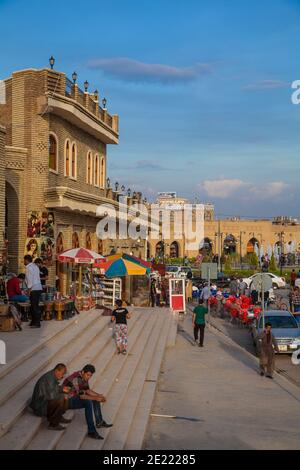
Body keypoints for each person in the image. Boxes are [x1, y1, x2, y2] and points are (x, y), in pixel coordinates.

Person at [63, 364, 112, 435]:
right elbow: (82, 396)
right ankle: (91, 431)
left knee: (95, 399)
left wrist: (99, 396)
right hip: (67, 401)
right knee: (88, 402)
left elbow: (87, 390)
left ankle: (99, 422)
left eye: (90, 375)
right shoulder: (76, 379)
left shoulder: (83, 377)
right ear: (83, 372)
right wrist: (96, 397)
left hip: (75, 396)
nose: (89, 377)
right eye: (88, 375)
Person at [30, 364, 71, 431]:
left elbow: (53, 389)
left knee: (64, 395)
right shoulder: (49, 378)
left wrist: (62, 389)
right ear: (57, 370)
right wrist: (62, 391)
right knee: (60, 398)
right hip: (39, 406)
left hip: (45, 400)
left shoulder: (52, 375)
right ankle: (53, 424)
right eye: (62, 373)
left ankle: (59, 417)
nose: (62, 376)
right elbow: (51, 396)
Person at [24, 254, 43, 328]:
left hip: (34, 288)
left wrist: (29, 289)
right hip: (37, 288)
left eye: (24, 260)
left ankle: (37, 323)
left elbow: (30, 279)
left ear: (26, 260)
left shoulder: (29, 268)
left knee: (34, 306)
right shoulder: (35, 266)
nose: (24, 262)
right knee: (33, 306)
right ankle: (33, 321)